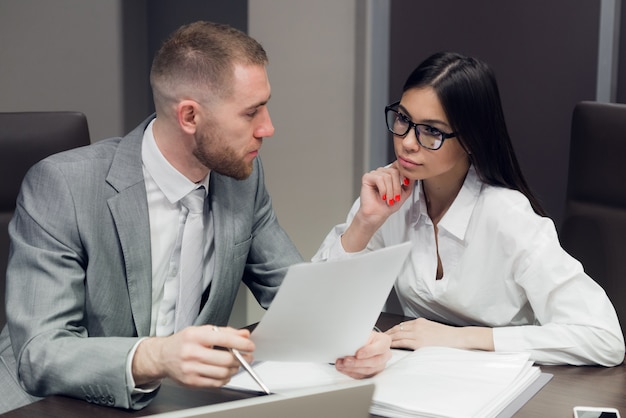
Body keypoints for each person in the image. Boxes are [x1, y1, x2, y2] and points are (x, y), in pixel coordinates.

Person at [0, 21, 390, 414]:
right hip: (48, 403)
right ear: (189, 116)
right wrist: (156, 357)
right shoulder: (63, 186)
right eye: (251, 112)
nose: (268, 128)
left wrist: (355, 338)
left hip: (175, 404)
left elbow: (295, 296)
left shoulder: (242, 183)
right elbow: (41, 353)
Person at [313, 51, 625, 366]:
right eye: (404, 119)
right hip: (422, 376)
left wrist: (463, 338)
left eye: (431, 130)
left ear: (471, 140)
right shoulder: (389, 199)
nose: (408, 142)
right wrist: (364, 223)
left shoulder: (508, 216)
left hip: (509, 383)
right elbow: (317, 312)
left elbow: (604, 338)